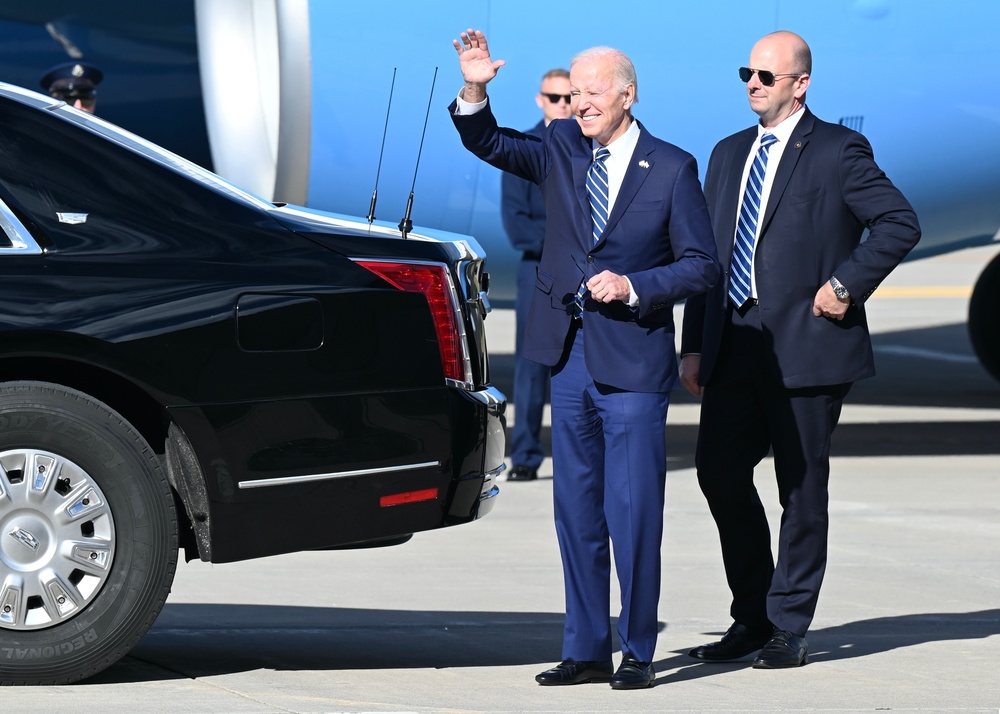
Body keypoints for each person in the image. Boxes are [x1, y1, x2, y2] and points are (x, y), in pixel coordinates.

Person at [450, 29, 719, 689]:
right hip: (566, 357)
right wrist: (477, 88)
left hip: (632, 362)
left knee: (634, 510)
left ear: (628, 95)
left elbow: (701, 267)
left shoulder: (673, 167)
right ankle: (586, 646)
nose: (580, 102)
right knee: (574, 508)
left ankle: (640, 650)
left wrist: (634, 287)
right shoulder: (561, 145)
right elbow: (489, 142)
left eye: (593, 92)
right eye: (573, 92)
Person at [680, 30, 921, 669]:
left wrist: (845, 284)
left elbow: (898, 221)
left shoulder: (839, 150)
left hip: (807, 349)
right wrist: (693, 343)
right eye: (746, 73)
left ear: (800, 83)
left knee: (801, 488)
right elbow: (706, 254)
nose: (753, 83)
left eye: (766, 74)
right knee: (718, 473)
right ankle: (753, 615)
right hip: (734, 345)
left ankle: (789, 624)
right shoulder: (728, 153)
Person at [500, 68, 572, 482]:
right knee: (532, 365)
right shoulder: (522, 148)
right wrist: (566, 242)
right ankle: (525, 453)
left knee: (577, 361)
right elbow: (517, 226)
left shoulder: (589, 146)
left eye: (569, 97)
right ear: (539, 99)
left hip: (581, 271)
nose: (563, 104)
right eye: (555, 97)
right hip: (539, 269)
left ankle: (574, 449)